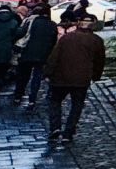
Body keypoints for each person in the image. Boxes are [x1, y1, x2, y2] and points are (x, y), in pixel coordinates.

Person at [44, 14, 106, 144]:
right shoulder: (96, 41)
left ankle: (55, 127)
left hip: (61, 76)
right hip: (81, 79)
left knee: (55, 101)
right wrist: (96, 76)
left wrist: (48, 73)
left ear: (78, 23)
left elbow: (54, 57)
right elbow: (99, 61)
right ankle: (68, 132)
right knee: (76, 105)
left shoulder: (66, 38)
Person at [13, 1, 56, 108]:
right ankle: (32, 99)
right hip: (42, 56)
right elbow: (53, 42)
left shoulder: (31, 22)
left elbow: (21, 33)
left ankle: (18, 95)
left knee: (23, 76)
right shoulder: (52, 25)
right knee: (36, 78)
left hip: (27, 52)